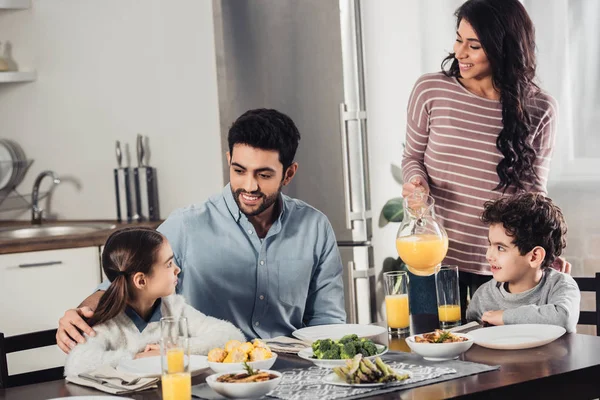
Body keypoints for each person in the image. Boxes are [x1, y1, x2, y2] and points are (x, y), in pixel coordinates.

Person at [57, 109, 346, 353]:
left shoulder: (314, 227)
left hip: (291, 372)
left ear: (289, 173)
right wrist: (82, 315)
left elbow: (327, 320)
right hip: (208, 375)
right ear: (228, 159)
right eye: (239, 170)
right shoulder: (186, 225)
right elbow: (123, 285)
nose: (249, 186)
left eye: (264, 174)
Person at [400, 0, 569, 317]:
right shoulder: (431, 90)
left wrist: (548, 248)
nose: (460, 52)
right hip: (432, 255)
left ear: (502, 48)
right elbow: (412, 156)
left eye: (474, 45)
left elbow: (534, 193)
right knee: (430, 352)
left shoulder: (540, 107)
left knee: (500, 360)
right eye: (458, 38)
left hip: (501, 264)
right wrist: (415, 182)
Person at [64, 227, 245, 376]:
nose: (177, 269)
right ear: (141, 281)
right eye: (168, 264)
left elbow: (230, 335)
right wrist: (138, 359)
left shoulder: (174, 306)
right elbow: (77, 364)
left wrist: (173, 351)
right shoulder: (106, 321)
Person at [466, 193, 580, 333]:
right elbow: (471, 336)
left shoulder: (560, 285)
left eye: (500, 248)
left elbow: (563, 318)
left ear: (534, 257)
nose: (489, 255)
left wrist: (504, 316)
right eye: (490, 245)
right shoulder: (484, 296)